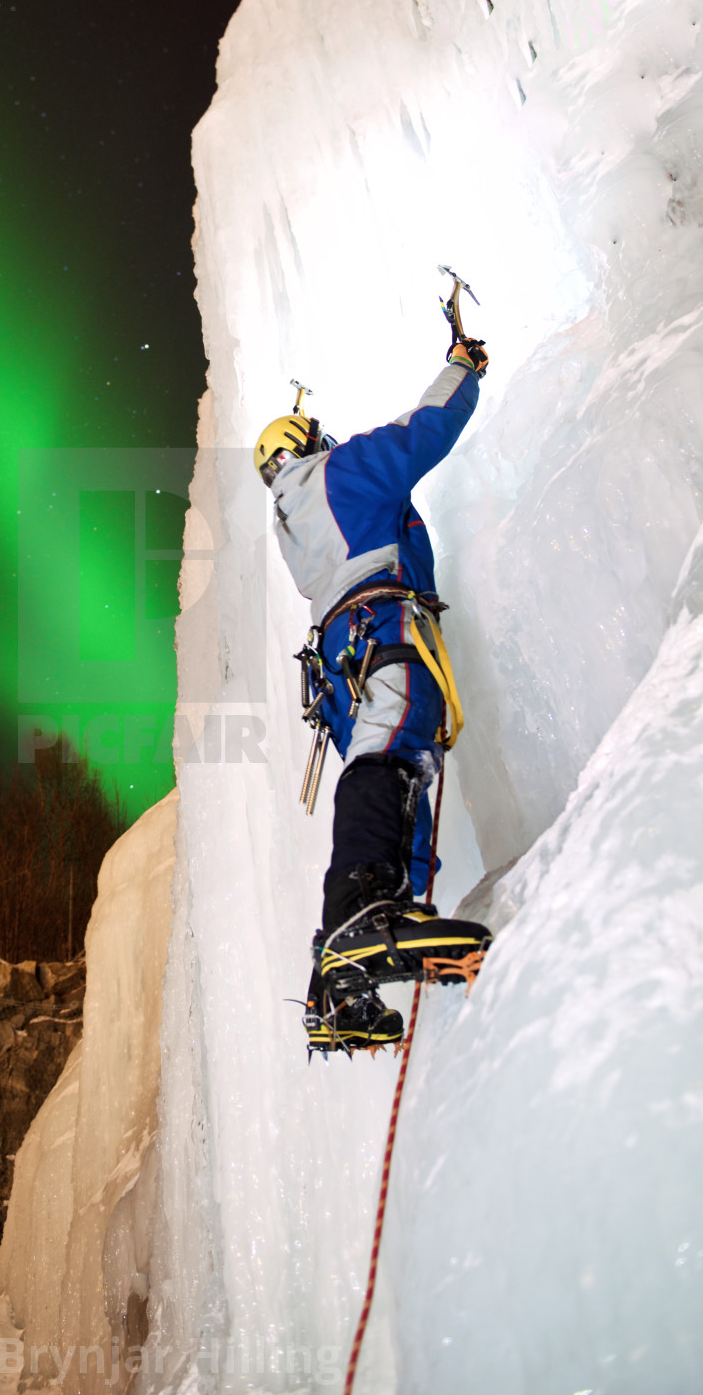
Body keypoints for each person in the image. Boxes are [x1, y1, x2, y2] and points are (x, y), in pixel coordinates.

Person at [254, 332, 488, 1052]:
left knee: (396, 762)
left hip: (341, 657)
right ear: (305, 444)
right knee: (398, 741)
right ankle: (366, 910)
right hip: (379, 621)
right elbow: (421, 433)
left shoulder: (289, 519)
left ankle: (345, 974)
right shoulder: (337, 475)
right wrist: (464, 367)